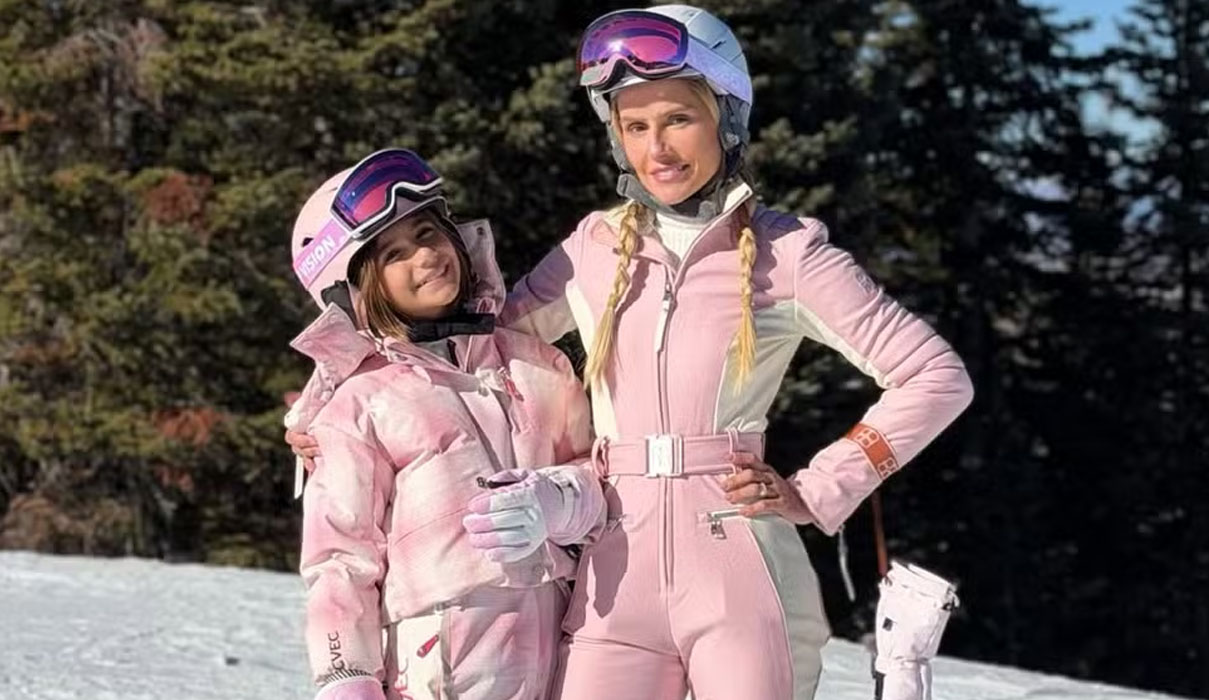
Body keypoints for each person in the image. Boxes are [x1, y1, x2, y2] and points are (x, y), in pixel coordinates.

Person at [496, 6, 975, 699]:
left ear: (727, 119)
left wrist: (818, 488)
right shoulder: (591, 248)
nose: (657, 148)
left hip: (742, 574)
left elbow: (936, 376)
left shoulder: (789, 253)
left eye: (678, 119)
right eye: (635, 126)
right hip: (612, 573)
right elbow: (482, 349)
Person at [285, 148, 604, 700]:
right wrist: (346, 676)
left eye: (428, 233)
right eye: (395, 253)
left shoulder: (538, 367)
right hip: (437, 665)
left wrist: (559, 502)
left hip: (559, 649)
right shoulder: (360, 404)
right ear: (354, 291)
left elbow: (599, 477)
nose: (426, 256)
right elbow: (340, 556)